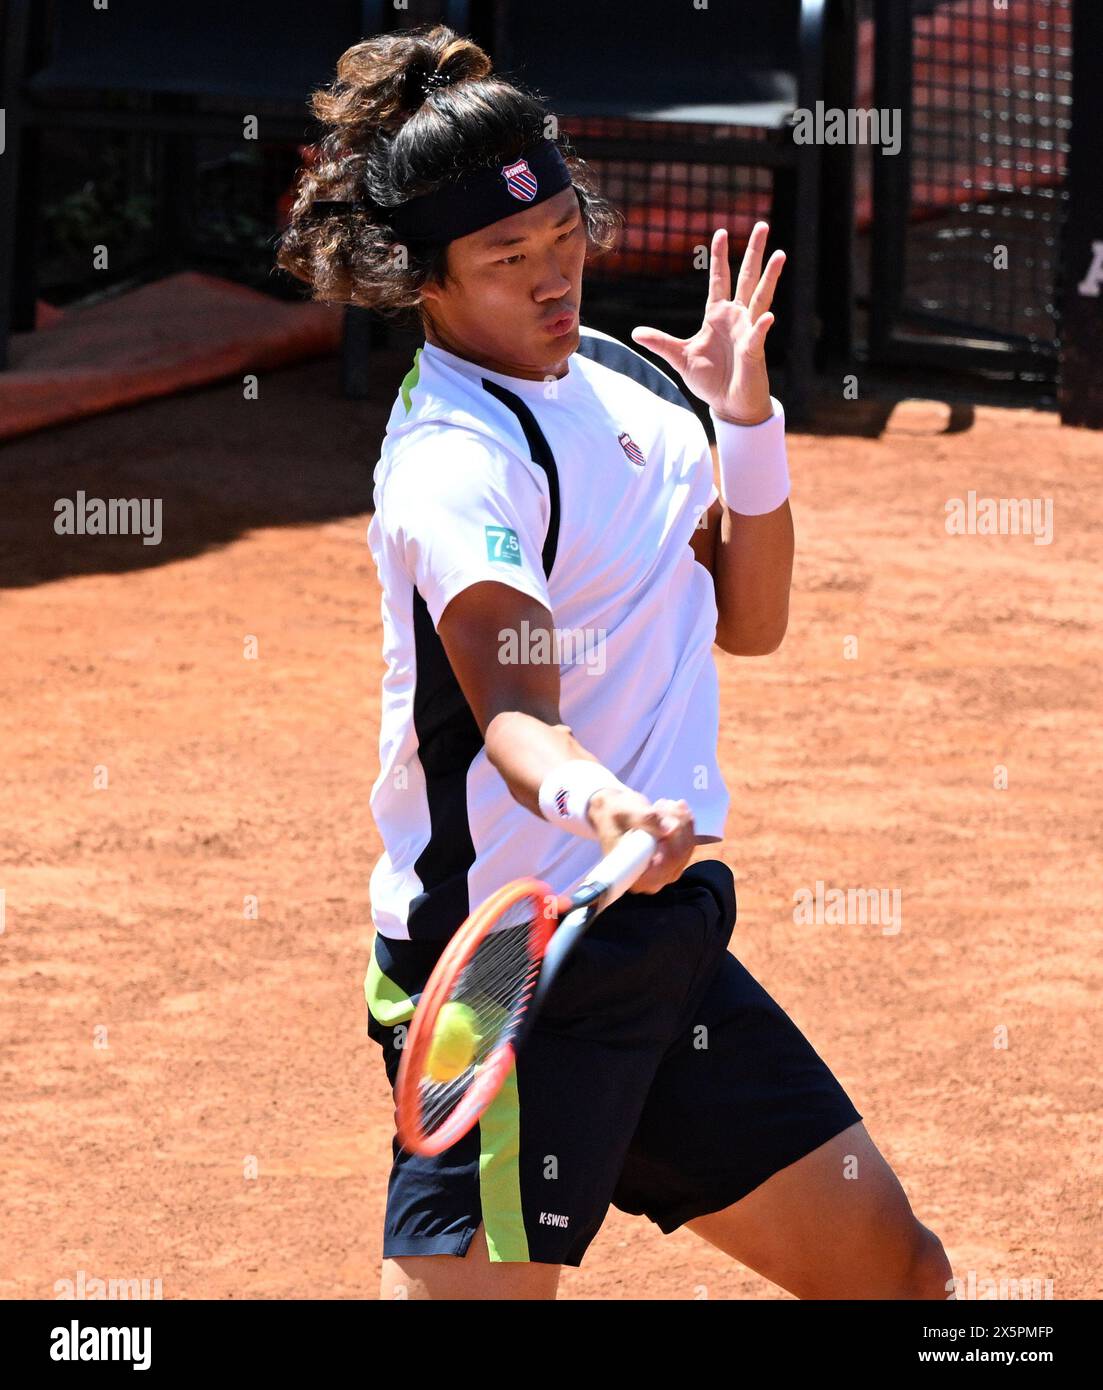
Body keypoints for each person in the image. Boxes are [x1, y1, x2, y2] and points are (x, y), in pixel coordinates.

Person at [278, 23, 952, 1301]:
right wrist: (606, 801)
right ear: (420, 278)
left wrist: (744, 427)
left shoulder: (623, 388)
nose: (553, 280)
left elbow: (748, 621)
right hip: (510, 978)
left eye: (566, 237)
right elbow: (517, 710)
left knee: (898, 1278)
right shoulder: (450, 461)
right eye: (506, 259)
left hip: (661, 942)